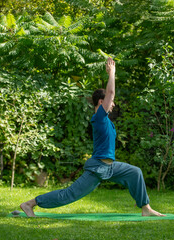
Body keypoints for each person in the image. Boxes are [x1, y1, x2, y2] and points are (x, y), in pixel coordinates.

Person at [20, 58, 165, 217]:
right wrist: (112, 73)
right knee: (70, 194)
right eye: (111, 102)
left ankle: (146, 208)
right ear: (102, 102)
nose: (113, 104)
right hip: (98, 167)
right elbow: (110, 93)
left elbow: (110, 98)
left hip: (111, 167)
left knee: (135, 172)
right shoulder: (99, 118)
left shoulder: (107, 121)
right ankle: (30, 204)